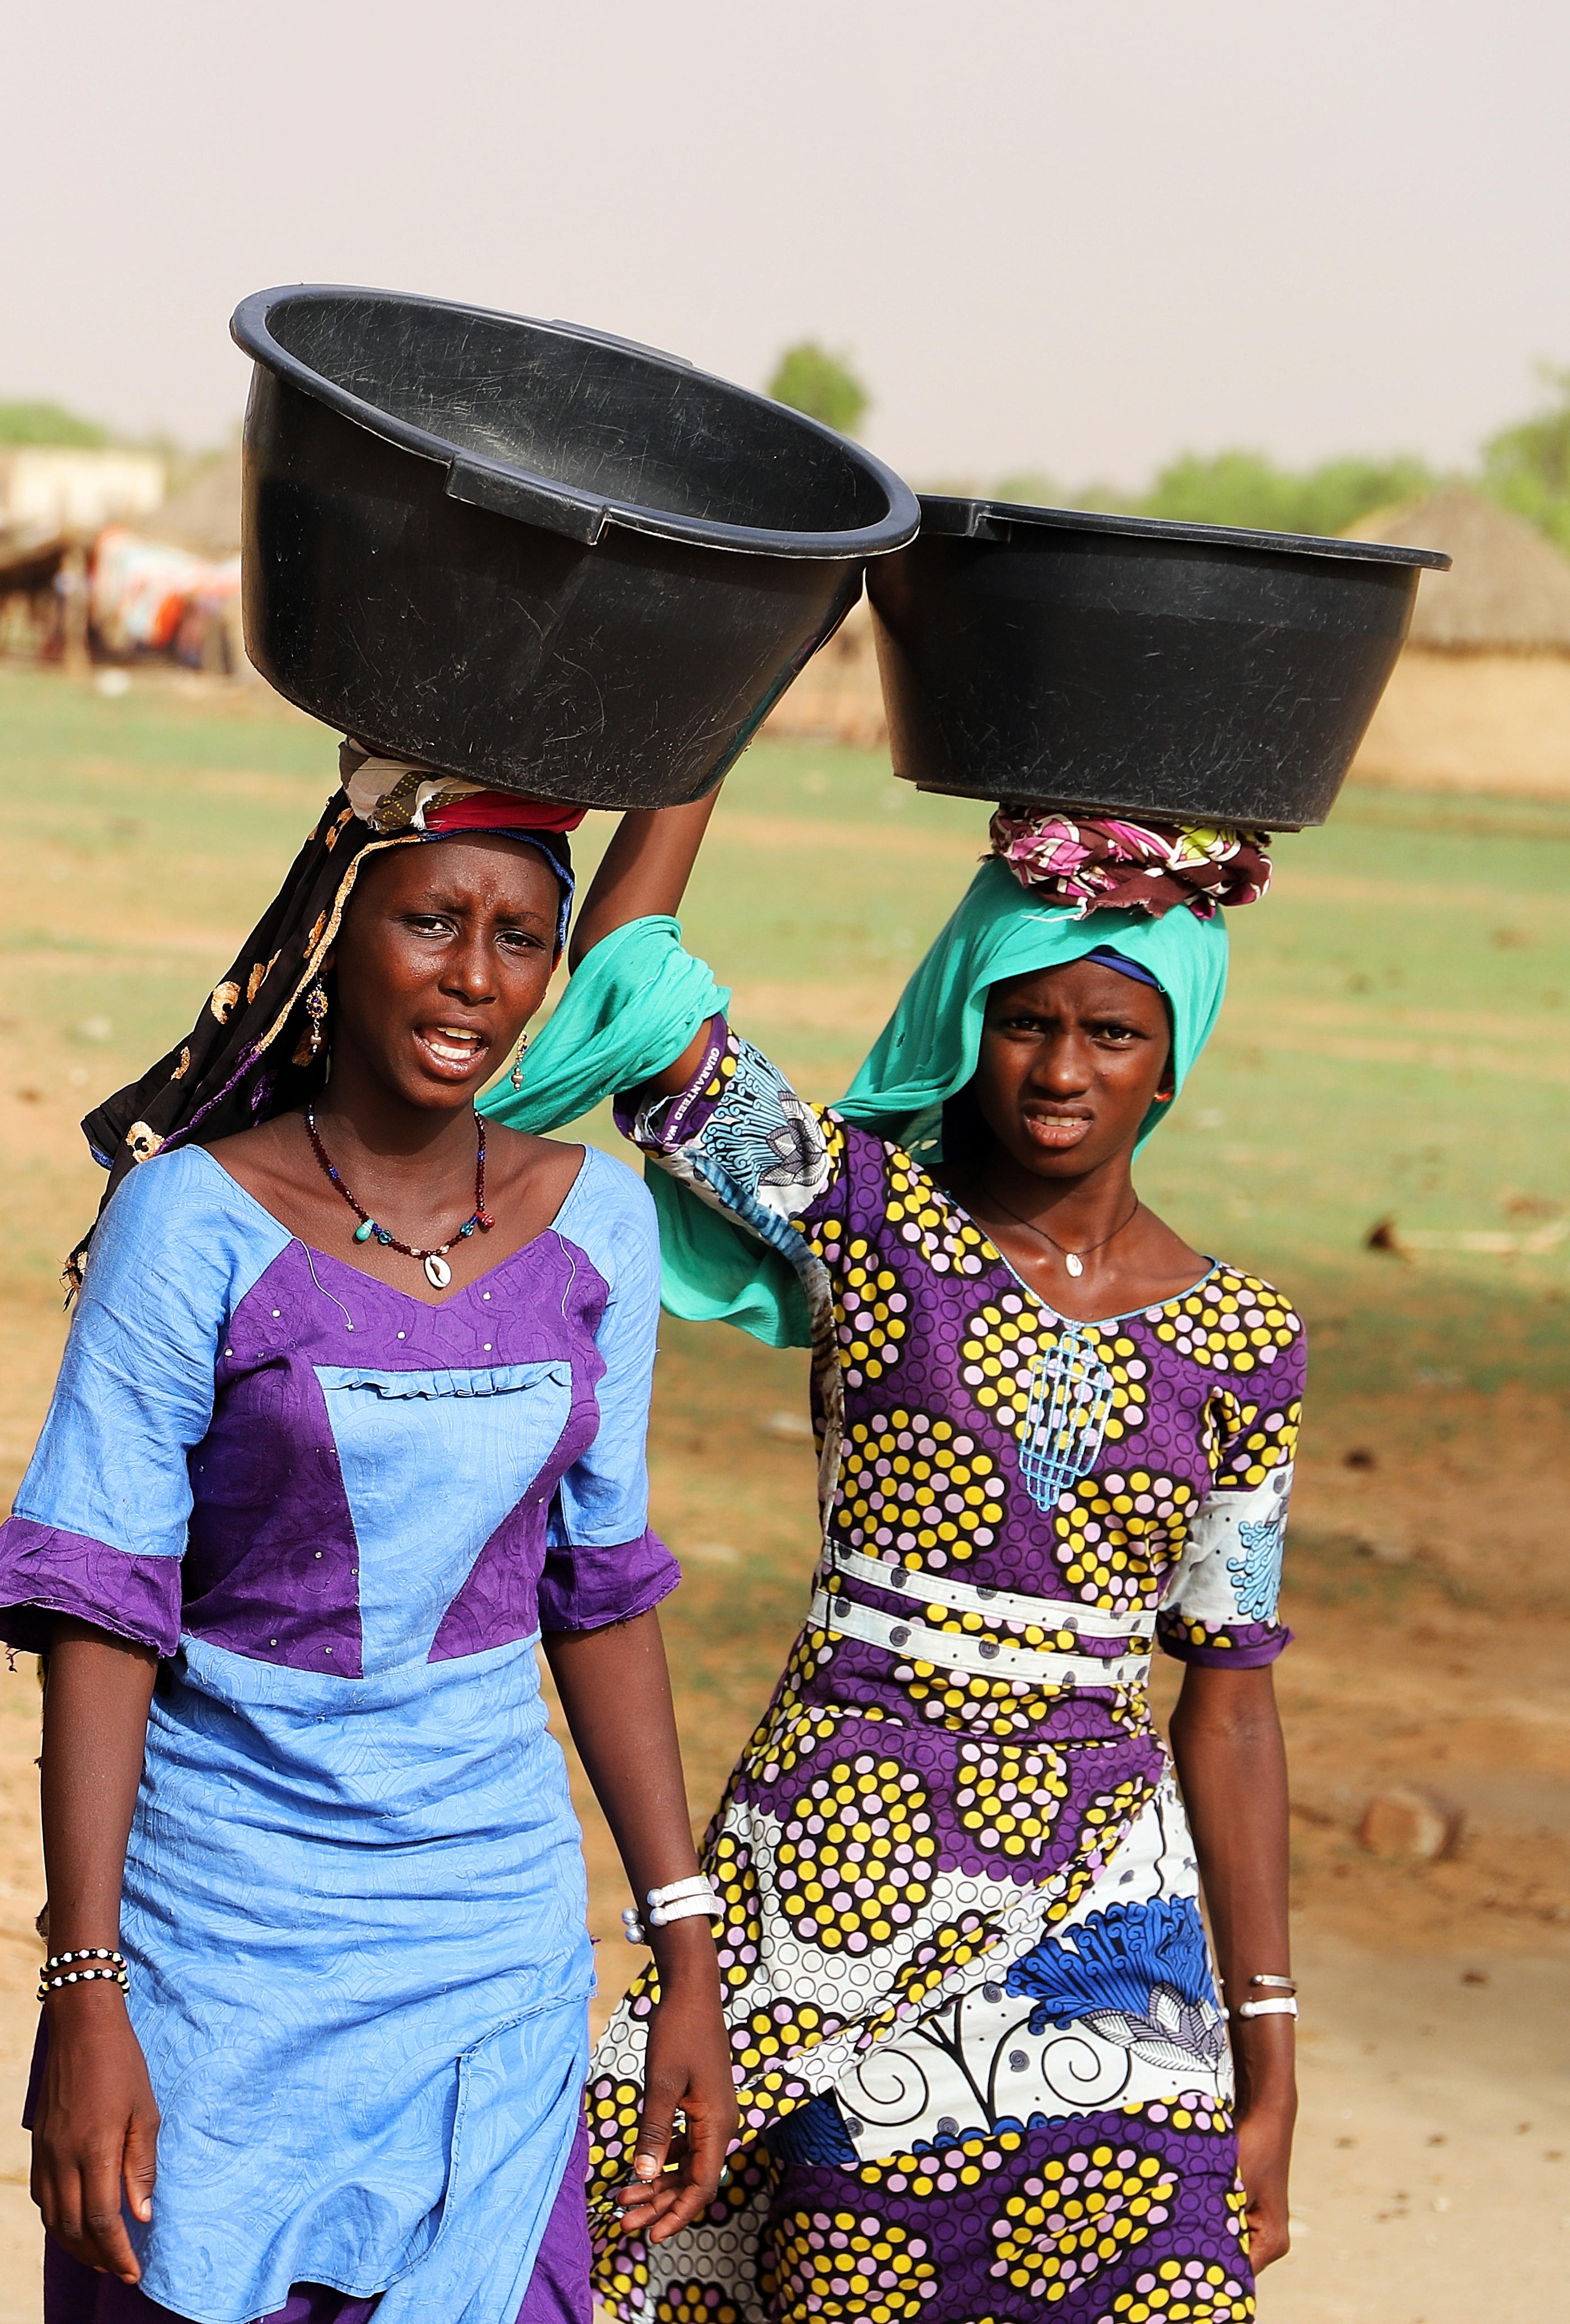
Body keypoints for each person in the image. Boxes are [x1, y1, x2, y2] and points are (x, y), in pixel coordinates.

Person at [0, 754, 741, 2324]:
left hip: (487, 1944)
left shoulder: (601, 1228)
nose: (475, 976)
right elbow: (104, 1614)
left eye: (522, 938)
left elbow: (602, 1592)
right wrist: (87, 1987)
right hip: (219, 1945)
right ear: (338, 932)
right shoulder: (191, 1223)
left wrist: (684, 1952)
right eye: (433, 921)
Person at [553, 794, 1299, 2321]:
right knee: (669, 2226)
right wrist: (732, 669)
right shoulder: (875, 1225)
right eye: (1025, 1023)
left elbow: (1232, 1701)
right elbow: (632, 975)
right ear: (970, 1022)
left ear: (1177, 1054)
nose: (1063, 1071)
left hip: (1115, 1913)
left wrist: (1267, 2046)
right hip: (842, 1852)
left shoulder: (1248, 1344)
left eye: (1111, 1032)